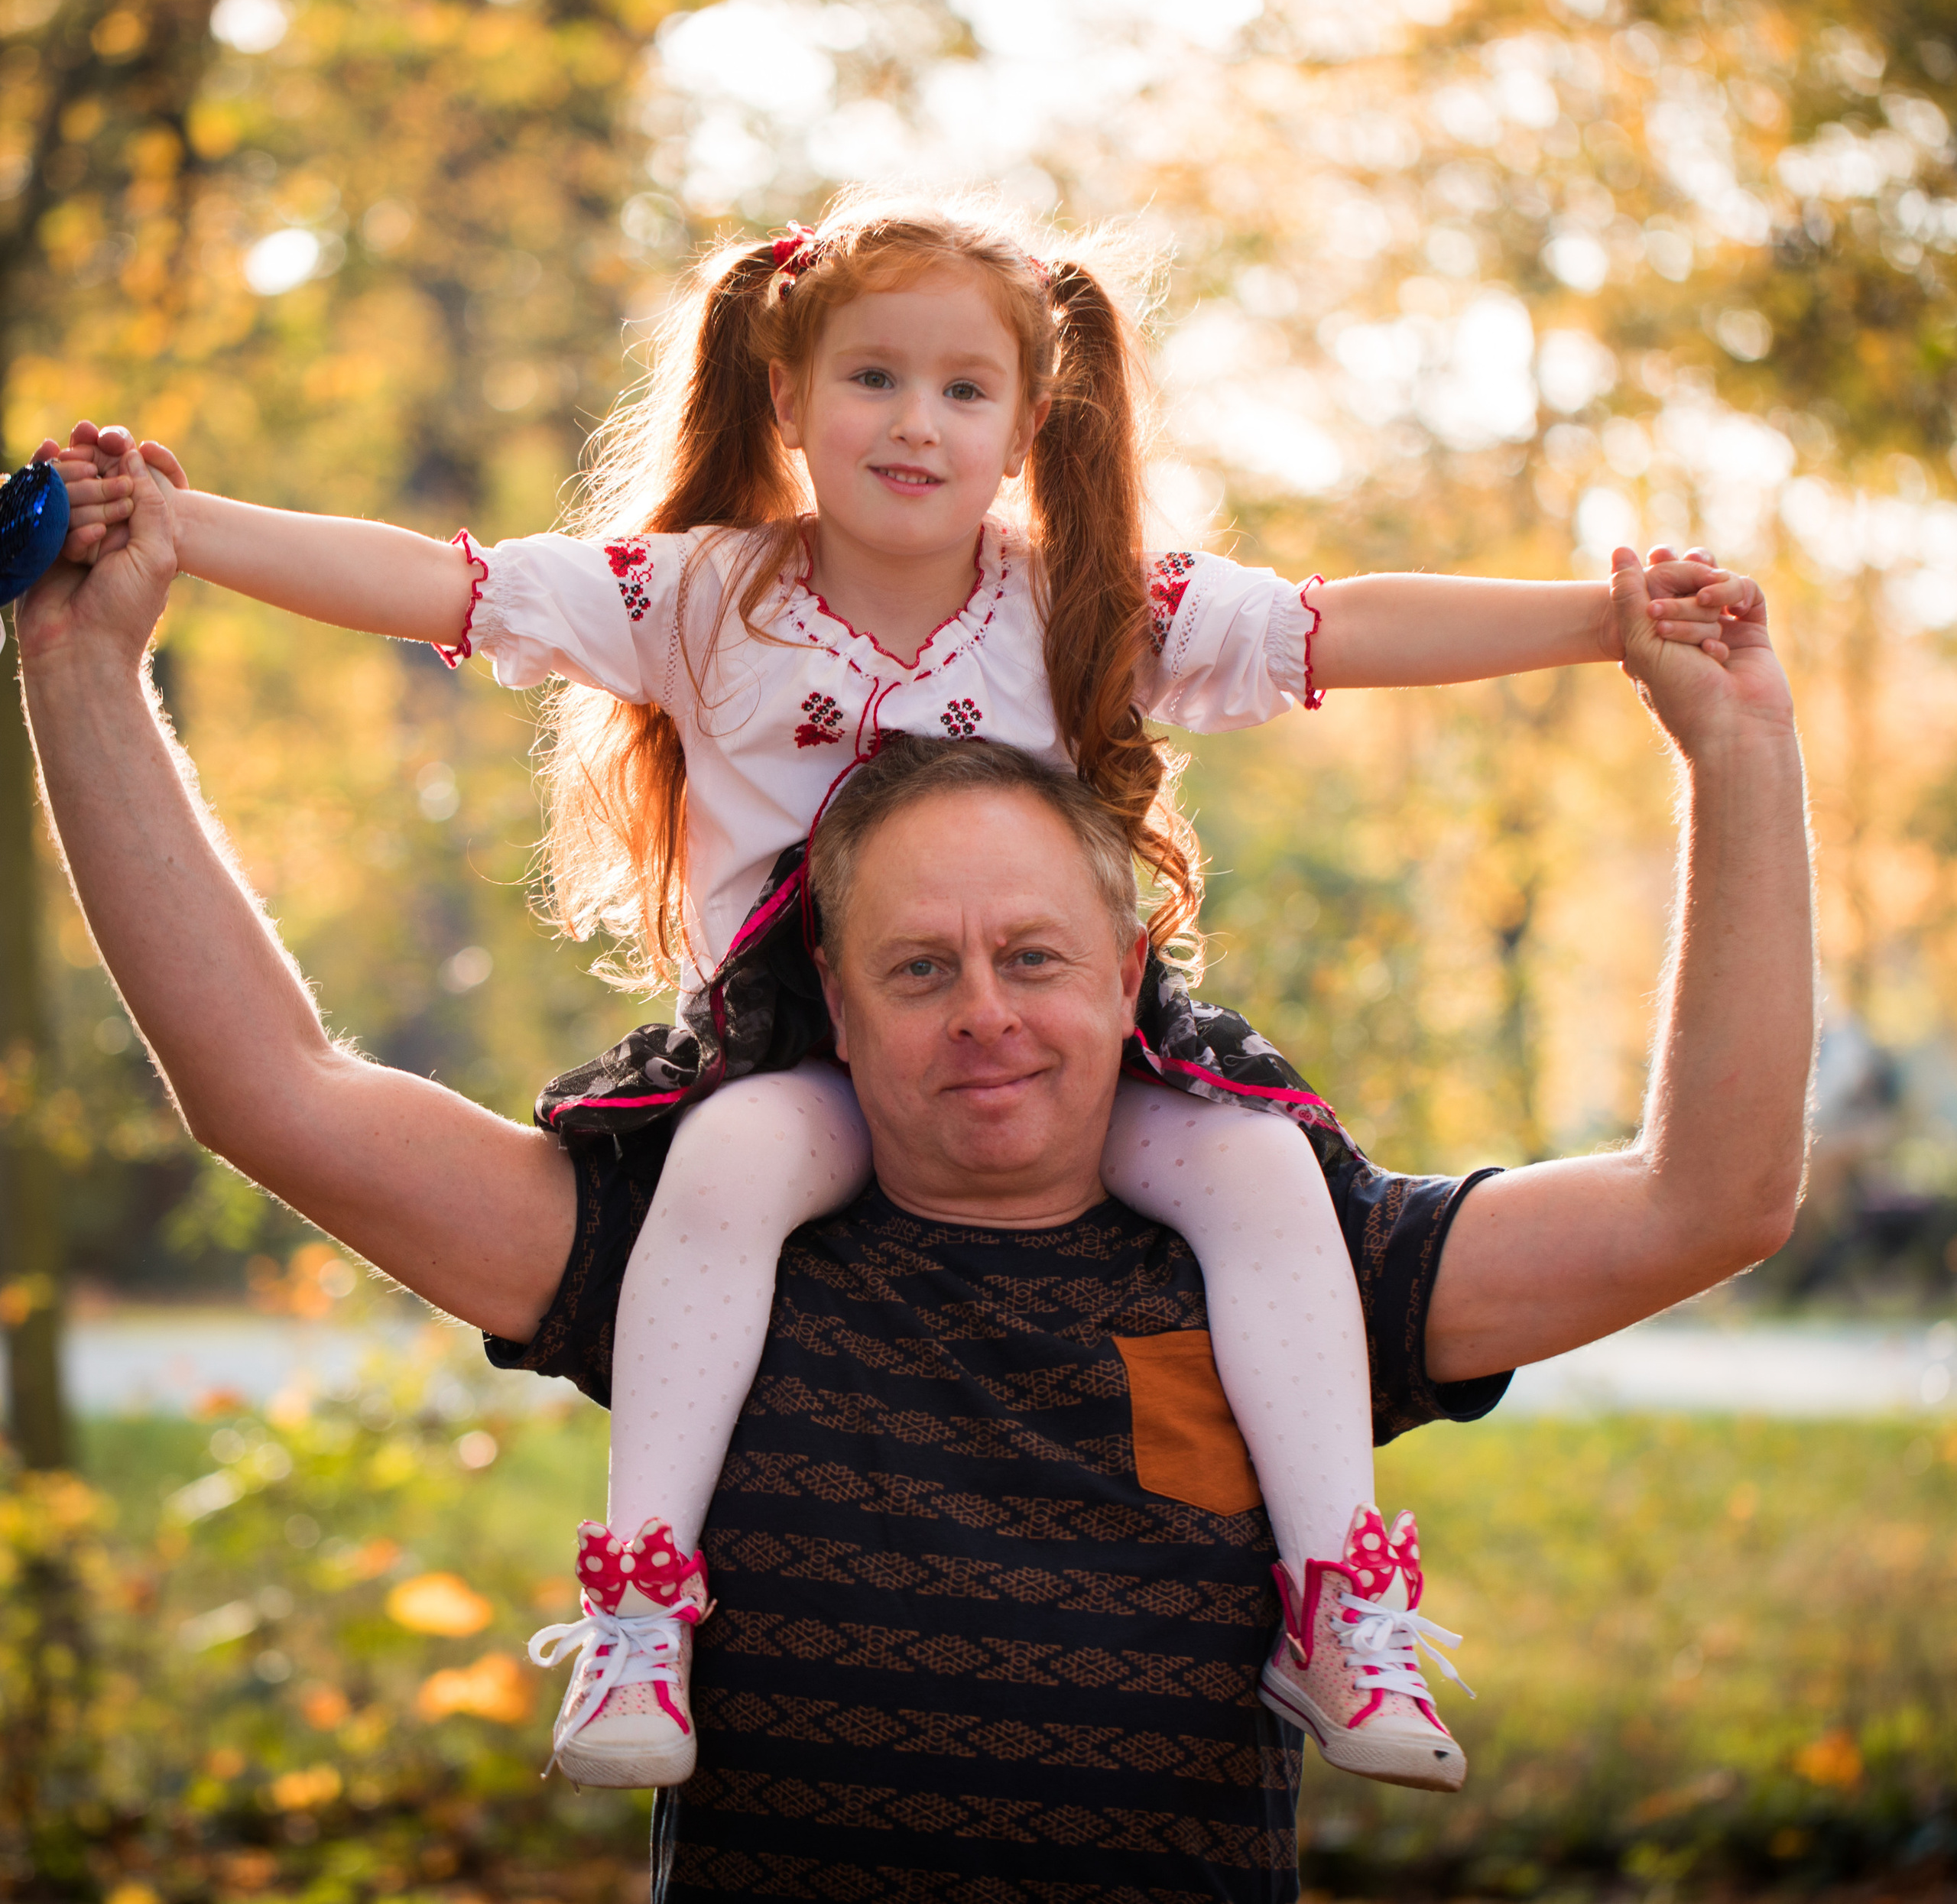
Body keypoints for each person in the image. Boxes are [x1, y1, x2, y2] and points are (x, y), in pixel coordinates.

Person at [43, 198, 1757, 1795]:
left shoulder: (1077, 599)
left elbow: (1337, 625)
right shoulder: (701, 595)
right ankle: (642, 1604)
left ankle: (1338, 1600)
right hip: (792, 1046)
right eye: (871, 376)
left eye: (961, 387)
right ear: (787, 389)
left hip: (1063, 1074)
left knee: (1256, 1173)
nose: (912, 422)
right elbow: (439, 583)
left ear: (1025, 422)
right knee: (719, 1175)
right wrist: (183, 533)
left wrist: (1601, 620)